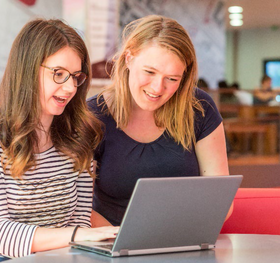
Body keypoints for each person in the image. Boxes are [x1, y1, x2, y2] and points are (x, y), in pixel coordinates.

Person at [0, 18, 118, 263]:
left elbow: (78, 219)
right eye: (59, 74)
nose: (70, 87)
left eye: (76, 77)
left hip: (54, 261)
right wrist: (79, 236)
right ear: (27, 69)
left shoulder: (78, 138)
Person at [88, 15, 229, 226]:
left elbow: (221, 198)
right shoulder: (93, 115)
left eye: (172, 79)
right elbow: (78, 207)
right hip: (110, 243)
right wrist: (119, 242)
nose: (157, 88)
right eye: (149, 72)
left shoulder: (200, 108)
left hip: (184, 239)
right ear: (128, 58)